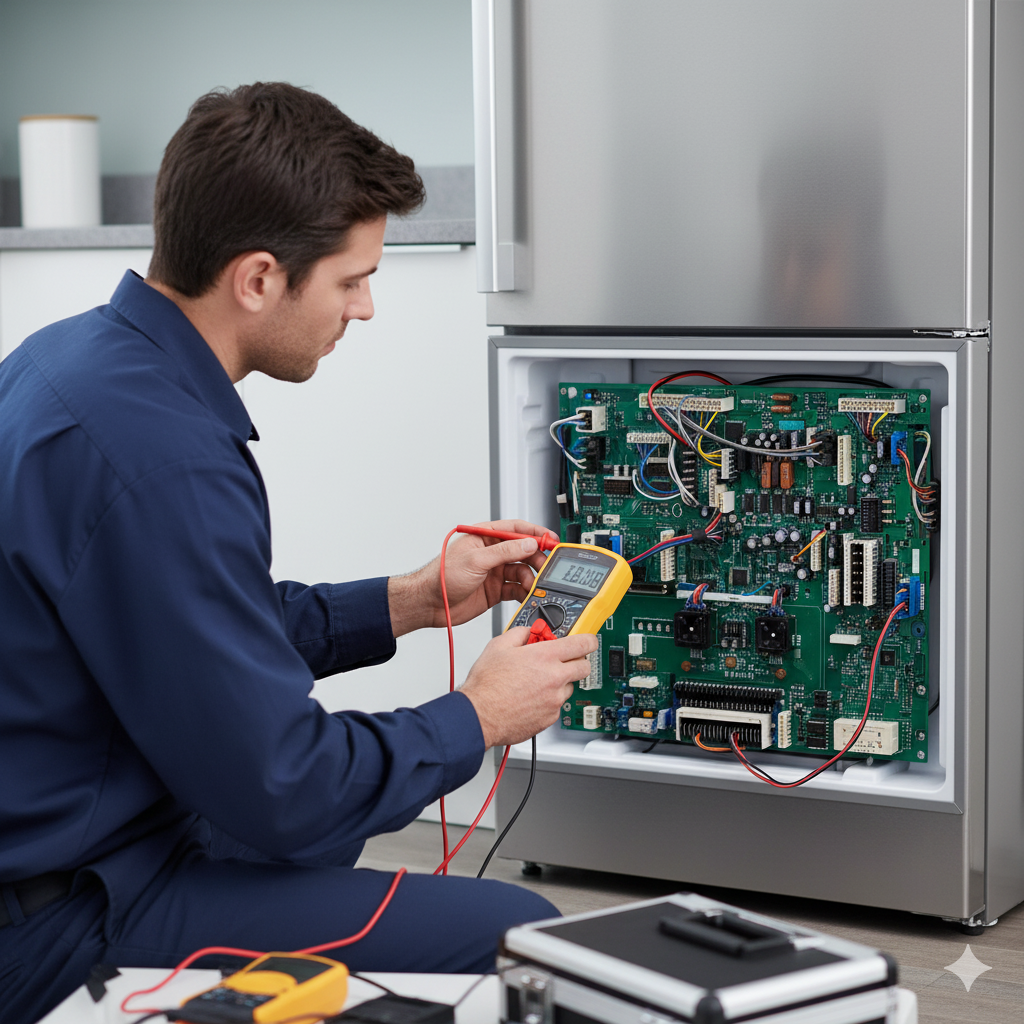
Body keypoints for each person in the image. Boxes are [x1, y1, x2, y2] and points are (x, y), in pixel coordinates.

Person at [0, 83, 597, 1023]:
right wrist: (476, 716)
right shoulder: (167, 461)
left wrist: (409, 600)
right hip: (63, 920)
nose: (365, 309)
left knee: (322, 849)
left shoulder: (67, 362)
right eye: (352, 279)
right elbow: (288, 789)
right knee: (519, 932)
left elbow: (193, 631)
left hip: (71, 833)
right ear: (259, 278)